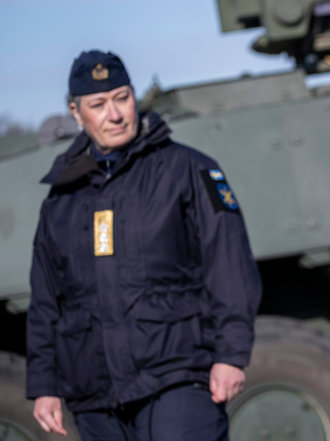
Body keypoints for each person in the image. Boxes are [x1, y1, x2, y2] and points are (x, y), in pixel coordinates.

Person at [25, 50, 262, 440]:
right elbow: (46, 301)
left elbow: (229, 264)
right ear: (75, 111)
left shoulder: (189, 169)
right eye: (98, 105)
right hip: (96, 395)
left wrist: (231, 355)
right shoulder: (60, 201)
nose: (115, 114)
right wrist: (44, 384)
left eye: (122, 98)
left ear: (135, 97)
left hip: (178, 375)